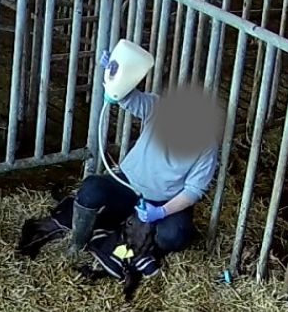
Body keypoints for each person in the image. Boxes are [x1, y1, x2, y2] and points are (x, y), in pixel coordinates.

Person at [69, 77, 223, 261]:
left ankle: (140, 254)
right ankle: (77, 243)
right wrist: (117, 75)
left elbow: (193, 190)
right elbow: (128, 99)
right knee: (91, 188)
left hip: (164, 201)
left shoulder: (206, 145)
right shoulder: (159, 109)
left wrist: (162, 212)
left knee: (174, 236)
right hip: (127, 183)